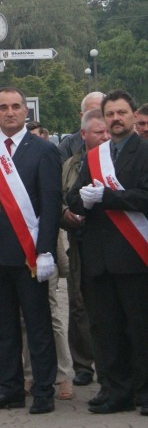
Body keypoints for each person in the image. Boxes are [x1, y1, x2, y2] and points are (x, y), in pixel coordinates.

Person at [0, 87, 60, 414]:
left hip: (29, 256)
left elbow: (51, 205)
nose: (10, 112)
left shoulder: (43, 151)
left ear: (26, 111)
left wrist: (45, 251)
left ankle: (43, 391)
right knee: (3, 328)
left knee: (37, 326)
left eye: (15, 106)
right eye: (3, 107)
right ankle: (10, 387)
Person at [67, 90, 148, 416]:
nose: (116, 119)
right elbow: (73, 198)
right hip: (98, 259)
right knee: (106, 329)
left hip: (133, 256)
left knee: (139, 328)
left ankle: (144, 391)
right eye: (110, 114)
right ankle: (116, 389)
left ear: (131, 116)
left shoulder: (144, 152)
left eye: (121, 113)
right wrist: (82, 201)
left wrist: (109, 197)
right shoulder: (95, 157)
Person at [60, 109, 108, 390]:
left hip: (114, 241)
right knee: (78, 305)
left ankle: (110, 364)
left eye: (105, 131)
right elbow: (58, 198)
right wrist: (66, 213)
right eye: (97, 132)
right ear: (83, 135)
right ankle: (82, 364)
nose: (103, 136)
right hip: (79, 243)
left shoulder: (119, 160)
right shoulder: (69, 165)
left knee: (110, 305)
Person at [58, 92, 105, 162]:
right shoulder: (68, 146)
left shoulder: (118, 142)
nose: (98, 117)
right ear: (82, 116)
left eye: (103, 112)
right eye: (93, 113)